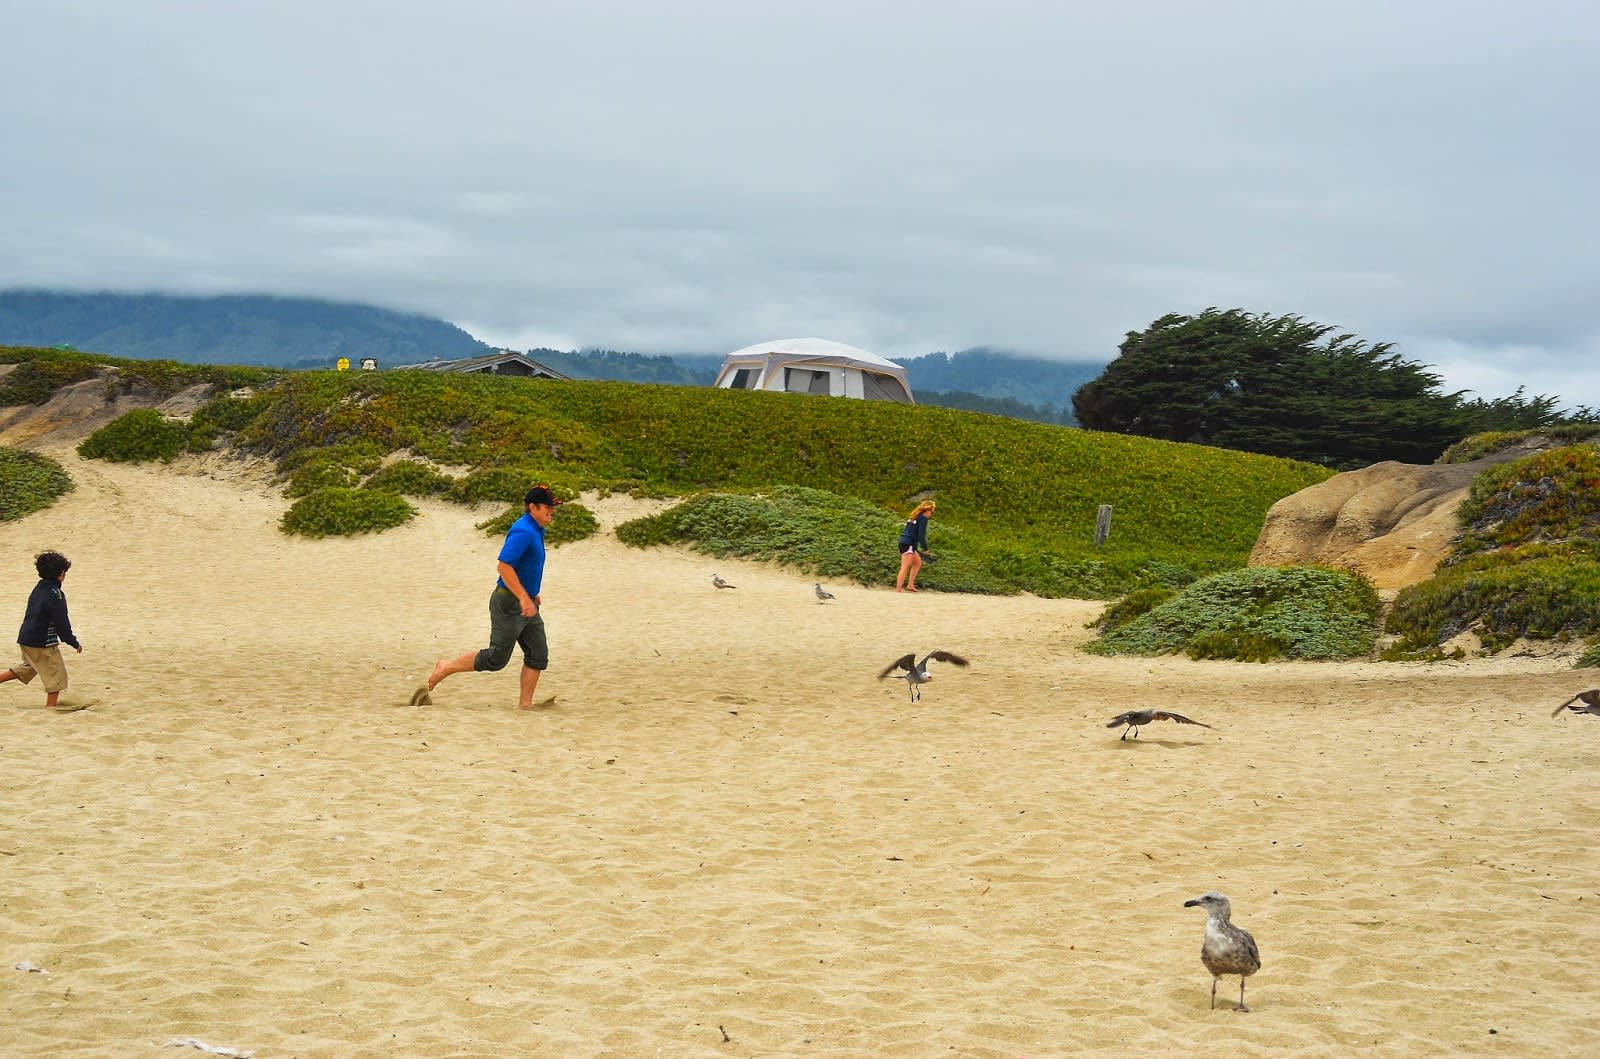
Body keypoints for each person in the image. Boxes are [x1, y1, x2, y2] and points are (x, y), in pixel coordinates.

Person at [427, 485, 562, 710]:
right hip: (509, 603)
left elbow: (524, 567)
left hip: (526, 601)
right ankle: (446, 667)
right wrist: (523, 597)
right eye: (548, 506)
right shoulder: (523, 531)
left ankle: (525, 707)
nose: (552, 511)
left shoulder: (537, 529)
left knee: (538, 654)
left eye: (553, 506)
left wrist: (531, 593)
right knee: (496, 659)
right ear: (533, 507)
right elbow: (504, 567)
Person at [1, 550, 84, 710]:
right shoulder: (56, 594)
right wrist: (72, 641)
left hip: (26, 637)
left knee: (30, 666)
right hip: (42, 642)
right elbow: (62, 623)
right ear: (61, 573)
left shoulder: (38, 588)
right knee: (56, 673)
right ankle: (50, 707)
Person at [895, 500, 936, 592]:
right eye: (932, 512)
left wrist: (915, 547)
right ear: (928, 510)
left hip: (905, 542)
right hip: (908, 543)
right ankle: (898, 589)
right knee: (905, 567)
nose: (931, 514)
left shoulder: (914, 516)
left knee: (917, 563)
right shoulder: (923, 518)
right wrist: (925, 548)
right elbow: (921, 535)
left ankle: (910, 585)